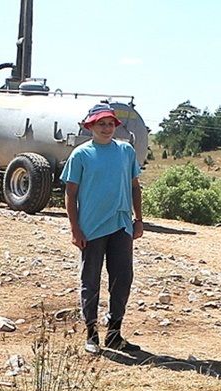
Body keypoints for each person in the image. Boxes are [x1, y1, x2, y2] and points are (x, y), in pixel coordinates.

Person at [60, 103, 143, 354]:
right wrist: (75, 229)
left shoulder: (126, 152)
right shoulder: (81, 155)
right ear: (91, 126)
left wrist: (138, 219)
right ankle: (91, 334)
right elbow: (70, 193)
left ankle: (115, 334)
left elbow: (135, 186)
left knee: (122, 279)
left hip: (121, 226)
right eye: (101, 124)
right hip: (91, 227)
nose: (106, 128)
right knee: (91, 281)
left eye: (110, 124)